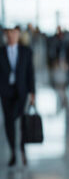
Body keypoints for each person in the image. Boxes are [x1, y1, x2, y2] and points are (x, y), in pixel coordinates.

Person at [0, 26, 36, 167]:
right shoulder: (1, 52)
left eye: (13, 33)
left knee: (22, 121)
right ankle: (13, 152)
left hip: (21, 92)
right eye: (8, 33)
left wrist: (32, 92)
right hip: (6, 92)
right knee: (9, 122)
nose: (11, 35)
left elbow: (30, 73)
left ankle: (22, 149)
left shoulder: (26, 52)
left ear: (18, 34)